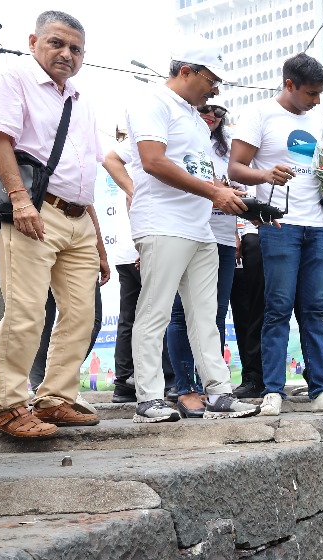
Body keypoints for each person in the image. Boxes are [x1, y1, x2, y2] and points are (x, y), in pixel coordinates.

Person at [125, 36, 256, 422]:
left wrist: (223, 190)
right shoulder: (152, 102)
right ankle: (148, 398)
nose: (215, 89)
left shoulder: (195, 119)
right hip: (163, 223)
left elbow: (197, 171)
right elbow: (152, 162)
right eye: (212, 80)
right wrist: (214, 192)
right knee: (155, 312)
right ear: (187, 71)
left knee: (205, 315)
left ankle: (219, 392)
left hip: (200, 228)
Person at [0, 10, 109, 439]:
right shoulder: (13, 77)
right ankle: (4, 404)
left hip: (78, 217)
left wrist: (97, 239)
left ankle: (55, 397)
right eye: (56, 43)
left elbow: (85, 172)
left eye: (75, 48)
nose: (66, 54)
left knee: (81, 313)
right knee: (25, 311)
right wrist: (20, 201)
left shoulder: (80, 98)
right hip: (34, 212)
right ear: (33, 41)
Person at [229, 52, 323, 417]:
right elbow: (235, 168)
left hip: (317, 227)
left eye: (319, 94)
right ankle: (273, 390)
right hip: (279, 224)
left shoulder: (321, 120)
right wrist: (266, 175)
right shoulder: (259, 114)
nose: (316, 100)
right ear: (289, 85)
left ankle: (322, 390)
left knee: (316, 310)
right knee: (278, 308)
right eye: (311, 93)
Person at [163, 102, 241, 417]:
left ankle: (214, 388)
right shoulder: (177, 138)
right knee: (181, 315)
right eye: (206, 108)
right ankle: (184, 387)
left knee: (213, 316)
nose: (213, 115)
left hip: (220, 238)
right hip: (185, 232)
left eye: (219, 112)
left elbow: (223, 191)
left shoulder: (224, 150)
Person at [101, 136, 175, 401]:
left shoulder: (141, 164)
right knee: (154, 316)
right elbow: (110, 159)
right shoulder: (146, 162)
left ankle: (125, 382)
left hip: (130, 251)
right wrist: (142, 247)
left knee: (131, 318)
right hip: (139, 250)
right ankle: (162, 379)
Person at [229, 216, 264, 398]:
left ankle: (259, 377)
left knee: (260, 313)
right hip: (230, 241)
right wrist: (234, 234)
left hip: (261, 237)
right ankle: (251, 377)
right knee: (243, 315)